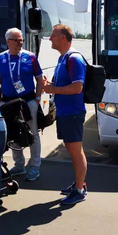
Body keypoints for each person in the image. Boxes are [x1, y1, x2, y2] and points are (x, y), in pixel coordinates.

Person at [42, 24, 88, 206]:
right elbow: (62, 85)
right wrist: (50, 86)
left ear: (63, 37)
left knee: (76, 152)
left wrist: (53, 89)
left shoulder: (74, 58)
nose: (50, 39)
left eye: (53, 35)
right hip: (65, 112)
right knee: (71, 150)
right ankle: (79, 184)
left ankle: (79, 190)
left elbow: (77, 88)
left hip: (72, 113)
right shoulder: (63, 58)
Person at [0, 28, 43, 181]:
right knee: (13, 133)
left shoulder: (30, 57)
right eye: (17, 40)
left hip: (27, 101)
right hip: (8, 103)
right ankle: (19, 165)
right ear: (8, 41)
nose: (20, 42)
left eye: (21, 40)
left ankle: (35, 166)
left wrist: (37, 99)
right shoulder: (0, 58)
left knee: (33, 133)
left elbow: (39, 79)